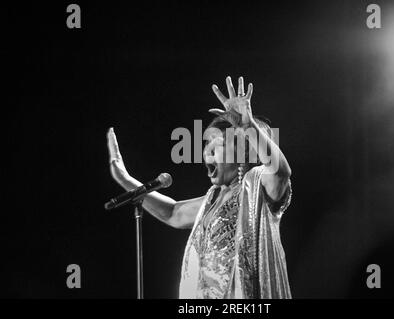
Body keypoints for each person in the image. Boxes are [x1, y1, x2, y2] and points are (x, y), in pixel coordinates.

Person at [107, 76, 292, 298]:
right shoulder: (211, 199)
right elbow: (173, 212)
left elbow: (280, 173)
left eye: (219, 144)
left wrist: (248, 126)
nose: (207, 151)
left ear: (245, 153)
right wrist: (126, 179)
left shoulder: (256, 187)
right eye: (206, 143)